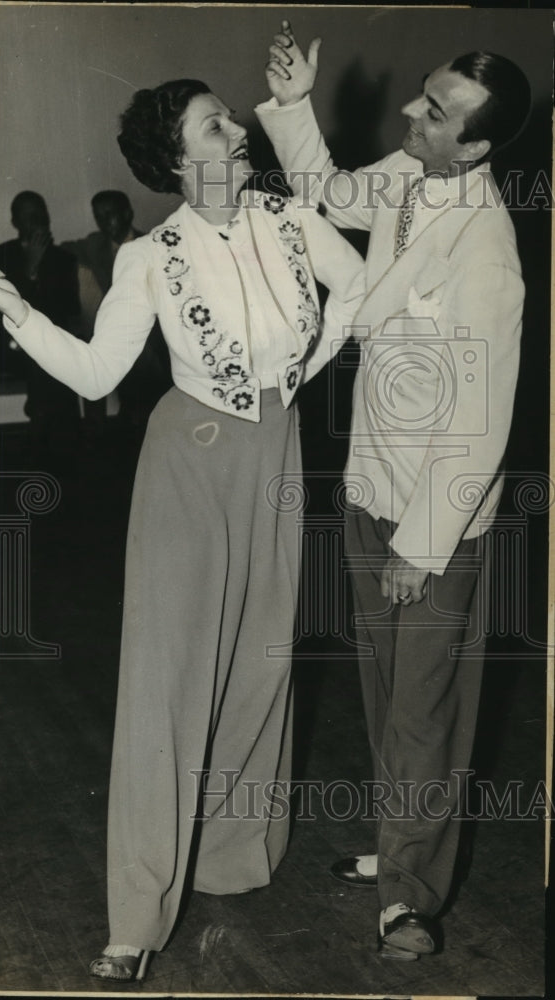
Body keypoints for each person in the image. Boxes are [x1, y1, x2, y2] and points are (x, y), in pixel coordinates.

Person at [0, 79, 365, 982]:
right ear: (179, 158)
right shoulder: (151, 255)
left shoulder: (289, 219)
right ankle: (136, 911)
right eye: (217, 123)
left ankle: (232, 858)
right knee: (165, 684)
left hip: (276, 456)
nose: (238, 126)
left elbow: (360, 286)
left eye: (231, 116)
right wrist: (10, 303)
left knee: (263, 661)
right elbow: (94, 376)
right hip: (188, 463)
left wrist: (300, 376)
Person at [258, 22, 530, 960]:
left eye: (438, 113)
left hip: (434, 518)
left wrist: (423, 546)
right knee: (383, 693)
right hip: (370, 480)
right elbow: (327, 195)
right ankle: (395, 843)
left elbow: (482, 422)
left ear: (480, 147)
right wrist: (293, 106)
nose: (415, 111)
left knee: (425, 708)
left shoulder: (489, 250)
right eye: (424, 93)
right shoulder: (414, 173)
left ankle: (411, 897)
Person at [62, 190, 171, 435]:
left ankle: (139, 419)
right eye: (99, 216)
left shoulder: (152, 245)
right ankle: (108, 433)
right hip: (113, 336)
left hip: (150, 334)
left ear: (127, 214)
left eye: (109, 215)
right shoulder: (94, 245)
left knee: (146, 359)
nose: (104, 222)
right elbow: (60, 251)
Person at [0, 191, 82, 462]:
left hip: (48, 344)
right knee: (46, 357)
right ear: (15, 222)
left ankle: (50, 437)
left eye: (41, 213)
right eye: (29, 216)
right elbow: (7, 310)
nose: (37, 220)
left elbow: (68, 311)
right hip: (9, 345)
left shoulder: (64, 260)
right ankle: (48, 435)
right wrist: (30, 269)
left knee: (52, 353)